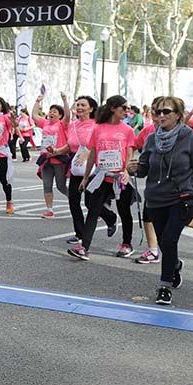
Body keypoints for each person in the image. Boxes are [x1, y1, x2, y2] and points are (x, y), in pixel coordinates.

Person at [128, 96, 193, 306]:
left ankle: (164, 287)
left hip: (181, 198)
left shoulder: (189, 138)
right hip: (155, 199)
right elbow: (144, 169)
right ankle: (174, 266)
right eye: (157, 112)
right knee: (164, 243)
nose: (160, 116)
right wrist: (135, 168)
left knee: (169, 241)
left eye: (166, 111)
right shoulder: (152, 139)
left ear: (178, 115)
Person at [68, 95, 137, 260]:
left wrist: (126, 172)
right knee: (93, 210)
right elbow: (92, 153)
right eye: (124, 108)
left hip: (120, 177)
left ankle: (126, 243)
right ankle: (84, 248)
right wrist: (85, 178)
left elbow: (129, 152)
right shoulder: (98, 128)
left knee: (124, 211)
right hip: (101, 176)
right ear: (113, 108)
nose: (127, 111)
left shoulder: (127, 130)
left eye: (128, 109)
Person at [62, 95, 116, 245]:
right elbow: (70, 146)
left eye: (83, 105)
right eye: (78, 104)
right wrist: (55, 151)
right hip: (76, 168)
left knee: (90, 203)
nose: (79, 107)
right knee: (73, 201)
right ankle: (79, 234)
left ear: (91, 108)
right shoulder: (73, 125)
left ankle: (110, 218)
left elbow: (102, 144)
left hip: (92, 169)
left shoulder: (97, 125)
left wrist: (89, 153)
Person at [33, 92, 71, 219]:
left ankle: (74, 201)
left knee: (61, 186)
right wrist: (37, 102)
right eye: (51, 111)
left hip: (59, 159)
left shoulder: (62, 124)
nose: (52, 113)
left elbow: (68, 115)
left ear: (60, 115)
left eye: (55, 111)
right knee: (46, 185)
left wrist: (65, 100)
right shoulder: (45, 123)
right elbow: (34, 115)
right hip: (46, 159)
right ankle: (49, 210)